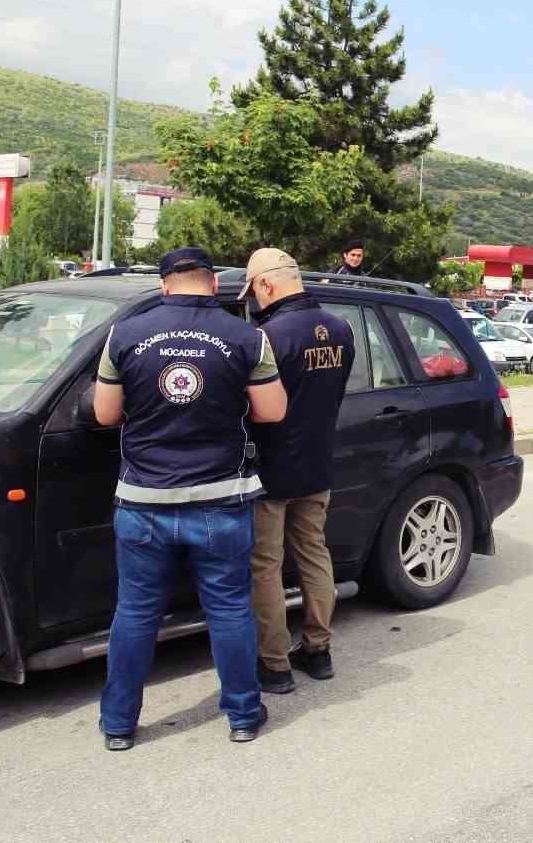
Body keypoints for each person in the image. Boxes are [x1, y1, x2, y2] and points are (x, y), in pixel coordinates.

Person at [92, 247, 288, 751]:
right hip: (221, 498)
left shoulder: (124, 335)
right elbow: (272, 411)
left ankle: (118, 724)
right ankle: (243, 716)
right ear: (211, 283)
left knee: (135, 612)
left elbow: (105, 415)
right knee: (228, 609)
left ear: (164, 285)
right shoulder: (248, 336)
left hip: (142, 500)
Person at [243, 248, 355, 693]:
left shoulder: (268, 337)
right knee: (314, 554)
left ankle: (273, 665)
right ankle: (318, 648)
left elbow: (253, 407)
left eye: (253, 290)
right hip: (318, 463)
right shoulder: (343, 330)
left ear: (266, 285)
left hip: (272, 468)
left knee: (265, 566)